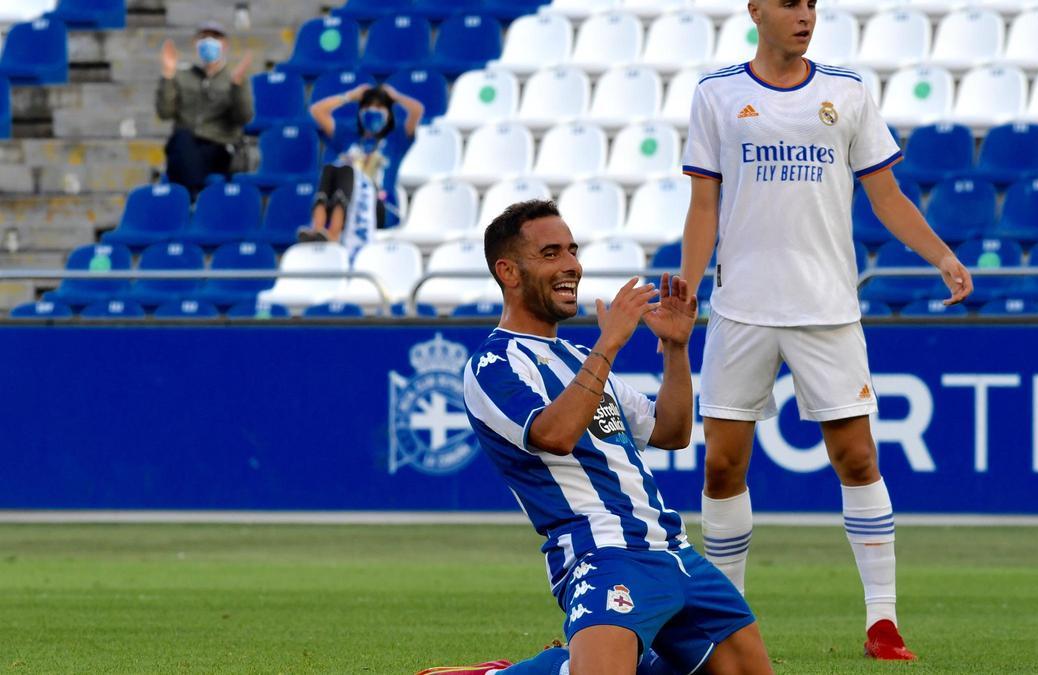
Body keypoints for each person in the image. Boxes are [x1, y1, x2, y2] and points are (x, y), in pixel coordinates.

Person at [678, 0, 974, 662]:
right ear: (755, 10)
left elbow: (886, 193)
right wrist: (689, 289)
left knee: (857, 457)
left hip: (827, 307)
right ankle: (728, 622)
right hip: (742, 308)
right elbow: (703, 204)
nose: (804, 14)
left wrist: (942, 256)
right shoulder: (717, 94)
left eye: (811, 3)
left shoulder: (847, 91)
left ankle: (883, 620)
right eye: (788, 3)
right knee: (723, 465)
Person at [420, 200, 774, 675]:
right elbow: (555, 435)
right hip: (602, 554)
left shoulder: (576, 356)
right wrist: (609, 344)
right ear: (509, 272)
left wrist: (675, 348)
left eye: (572, 250)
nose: (571, 265)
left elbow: (671, 432)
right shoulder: (494, 364)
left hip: (676, 552)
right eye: (550, 253)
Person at [296, 83, 423, 250]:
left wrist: (396, 97)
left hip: (380, 207)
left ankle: (333, 233)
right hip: (349, 206)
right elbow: (317, 111)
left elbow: (417, 110)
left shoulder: (396, 139)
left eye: (379, 107)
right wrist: (349, 96)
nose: (372, 111)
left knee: (348, 171)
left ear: (388, 113)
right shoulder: (347, 136)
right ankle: (317, 229)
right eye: (367, 106)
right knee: (330, 169)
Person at [155, 21, 254, 199]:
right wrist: (168, 76)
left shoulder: (233, 78)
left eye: (215, 37)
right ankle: (193, 196)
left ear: (225, 44)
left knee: (185, 150)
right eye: (204, 37)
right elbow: (164, 112)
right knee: (182, 140)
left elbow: (244, 117)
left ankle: (190, 199)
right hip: (185, 147)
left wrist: (237, 86)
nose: (209, 41)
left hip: (220, 146)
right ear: (195, 43)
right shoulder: (183, 76)